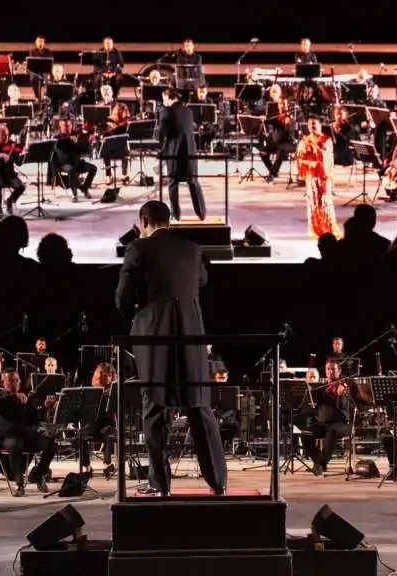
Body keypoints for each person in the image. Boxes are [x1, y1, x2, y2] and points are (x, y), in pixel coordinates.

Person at [115, 200, 226, 496]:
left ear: (143, 221)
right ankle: (218, 483)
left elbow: (122, 299)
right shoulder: (191, 248)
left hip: (154, 337)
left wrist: (138, 316)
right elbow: (201, 280)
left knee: (154, 408)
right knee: (199, 406)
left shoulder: (138, 248)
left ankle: (160, 485)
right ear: (170, 220)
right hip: (191, 335)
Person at [0, 368, 57, 496]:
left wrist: (46, 407)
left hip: (28, 437)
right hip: (8, 438)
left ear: (19, 382)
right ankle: (19, 485)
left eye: (16, 380)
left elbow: (34, 417)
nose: (14, 383)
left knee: (51, 443)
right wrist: (14, 396)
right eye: (10, 380)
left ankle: (39, 473)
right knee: (16, 443)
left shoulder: (24, 398)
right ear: (3, 383)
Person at [159, 88, 206, 221]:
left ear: (169, 98)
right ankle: (201, 213)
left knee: (173, 184)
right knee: (193, 182)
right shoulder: (188, 111)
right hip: (190, 151)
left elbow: (161, 134)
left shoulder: (166, 112)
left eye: (164, 99)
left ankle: (176, 214)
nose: (164, 102)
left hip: (174, 152)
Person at [303, 360, 350, 475]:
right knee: (305, 433)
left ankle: (322, 464)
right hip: (322, 423)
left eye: (333, 369)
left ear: (339, 371)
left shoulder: (343, 385)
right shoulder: (321, 387)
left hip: (341, 423)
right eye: (328, 369)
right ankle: (317, 461)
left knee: (332, 431)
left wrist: (342, 393)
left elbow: (344, 403)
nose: (330, 372)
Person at [297, 117, 340, 239]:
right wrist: (307, 160)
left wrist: (317, 149)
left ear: (320, 125)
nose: (312, 126)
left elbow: (328, 158)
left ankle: (328, 230)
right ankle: (315, 230)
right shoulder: (304, 140)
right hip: (311, 176)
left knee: (325, 202)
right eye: (310, 124)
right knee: (313, 203)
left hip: (323, 175)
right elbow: (300, 158)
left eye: (314, 124)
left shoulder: (326, 140)